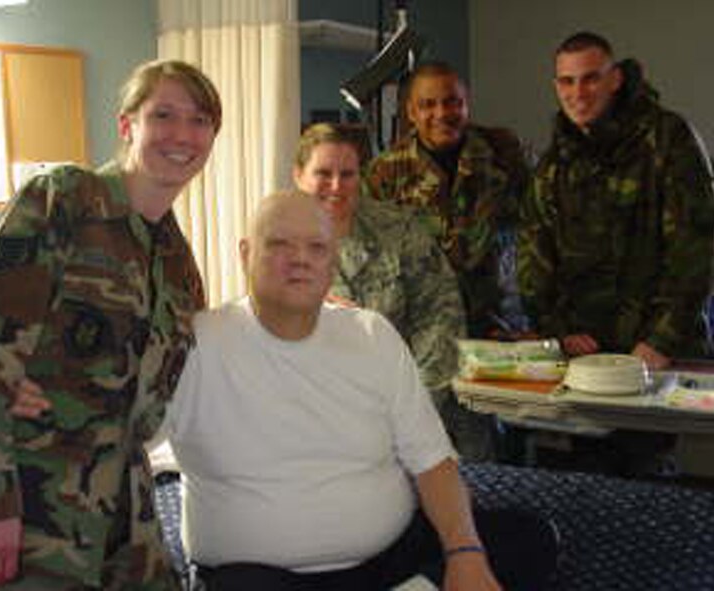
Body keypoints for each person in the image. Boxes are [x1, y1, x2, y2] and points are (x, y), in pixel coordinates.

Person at [163, 192, 558, 591]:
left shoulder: (372, 334)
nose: (301, 258)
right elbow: (128, 444)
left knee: (527, 538)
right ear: (246, 253)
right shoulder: (194, 344)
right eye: (280, 244)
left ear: (333, 261)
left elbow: (433, 462)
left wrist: (463, 552)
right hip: (257, 576)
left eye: (317, 247)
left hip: (389, 562)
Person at [0, 59, 221, 590]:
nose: (182, 135)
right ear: (127, 125)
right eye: (163, 114)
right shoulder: (66, 198)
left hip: (125, 512)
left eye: (200, 120)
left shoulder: (177, 261)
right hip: (27, 501)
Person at [517, 31, 714, 369]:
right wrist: (558, 331)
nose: (578, 93)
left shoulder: (668, 139)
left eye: (590, 79)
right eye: (567, 82)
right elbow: (533, 264)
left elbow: (696, 252)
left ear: (615, 79)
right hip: (587, 359)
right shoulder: (554, 165)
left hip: (665, 355)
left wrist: (660, 342)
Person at [292, 123, 465, 426]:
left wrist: (411, 414)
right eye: (323, 174)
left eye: (347, 174)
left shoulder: (401, 231)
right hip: (316, 416)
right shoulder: (277, 243)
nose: (336, 186)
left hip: (412, 408)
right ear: (298, 175)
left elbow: (441, 321)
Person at [365, 61, 531, 339]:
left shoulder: (504, 155)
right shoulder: (384, 174)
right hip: (423, 330)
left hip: (501, 325)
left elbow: (536, 234)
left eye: (452, 102)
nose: (442, 113)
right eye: (428, 105)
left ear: (467, 105)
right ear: (411, 112)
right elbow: (373, 261)